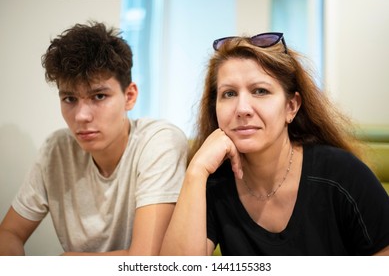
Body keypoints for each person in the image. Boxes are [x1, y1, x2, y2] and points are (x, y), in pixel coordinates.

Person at [160, 32, 389, 255]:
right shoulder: (214, 184)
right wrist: (197, 171)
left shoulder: (340, 173)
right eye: (229, 94)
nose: (242, 109)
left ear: (291, 107)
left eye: (260, 91)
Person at [0, 21, 187, 255]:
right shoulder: (56, 150)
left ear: (129, 96)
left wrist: (66, 262)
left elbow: (146, 260)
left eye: (98, 96)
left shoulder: (159, 142)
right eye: (69, 99)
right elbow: (9, 233)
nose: (81, 116)